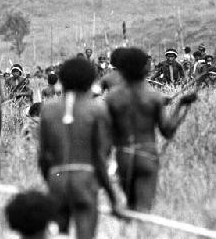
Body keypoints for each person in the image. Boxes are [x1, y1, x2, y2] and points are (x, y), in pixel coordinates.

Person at [38, 57, 121, 238]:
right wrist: (113, 198)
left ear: (62, 79)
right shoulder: (97, 109)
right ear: (91, 80)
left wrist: (51, 182)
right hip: (84, 180)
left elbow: (43, 157)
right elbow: (100, 158)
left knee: (60, 235)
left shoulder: (48, 109)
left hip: (57, 179)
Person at [105, 48, 197, 211]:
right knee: (143, 209)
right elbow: (167, 131)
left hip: (124, 156)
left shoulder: (112, 97)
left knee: (130, 206)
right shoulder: (153, 96)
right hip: (146, 156)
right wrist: (181, 106)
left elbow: (105, 133)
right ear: (144, 69)